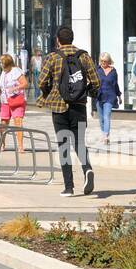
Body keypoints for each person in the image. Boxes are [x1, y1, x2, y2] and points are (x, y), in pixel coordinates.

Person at [38, 26, 100, 197]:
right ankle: (87, 169)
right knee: (79, 142)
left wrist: (49, 92)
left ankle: (69, 187)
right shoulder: (84, 56)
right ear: (72, 39)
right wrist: (86, 93)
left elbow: (41, 81)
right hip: (79, 106)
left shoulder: (52, 57)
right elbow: (96, 81)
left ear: (58, 40)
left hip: (59, 108)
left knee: (63, 145)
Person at [0, 53, 27, 154]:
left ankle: (20, 146)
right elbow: (0, 85)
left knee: (18, 122)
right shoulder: (3, 72)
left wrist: (15, 88)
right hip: (5, 101)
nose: (1, 65)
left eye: (2, 63)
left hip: (16, 99)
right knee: (3, 122)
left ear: (8, 64)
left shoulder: (16, 71)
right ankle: (2, 143)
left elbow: (25, 83)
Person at [95, 52, 120, 145]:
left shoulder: (113, 71)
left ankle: (106, 136)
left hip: (110, 96)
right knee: (101, 118)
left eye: (105, 61)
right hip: (99, 96)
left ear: (109, 61)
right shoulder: (97, 70)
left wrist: (119, 95)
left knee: (106, 116)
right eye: (101, 61)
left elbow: (115, 85)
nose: (103, 63)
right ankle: (103, 134)